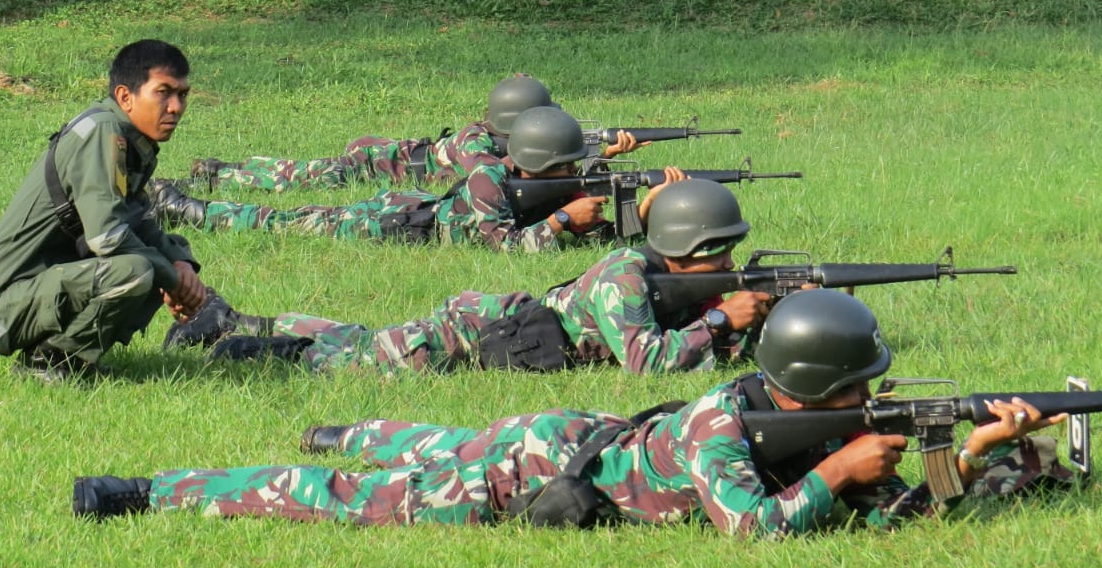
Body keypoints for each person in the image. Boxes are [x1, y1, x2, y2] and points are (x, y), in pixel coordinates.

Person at [72, 290, 1072, 528]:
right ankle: (144, 492)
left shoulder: (786, 405)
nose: (871, 405)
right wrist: (833, 475)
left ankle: (351, 423)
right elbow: (757, 530)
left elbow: (885, 500)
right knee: (341, 494)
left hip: (572, 426)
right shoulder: (723, 432)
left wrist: (985, 451)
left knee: (431, 438)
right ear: (815, 394)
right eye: (858, 392)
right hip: (542, 469)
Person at [169, 178, 776, 372]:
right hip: (483, 331)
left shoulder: (665, 272)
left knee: (358, 337)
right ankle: (248, 345)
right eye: (715, 254)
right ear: (678, 246)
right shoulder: (624, 275)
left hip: (513, 325)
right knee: (356, 360)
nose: (724, 267)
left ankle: (233, 319)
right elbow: (645, 360)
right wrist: (723, 318)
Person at [0, 40, 209, 382]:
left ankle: (73, 359)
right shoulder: (101, 133)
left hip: (40, 287)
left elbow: (136, 220)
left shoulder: (129, 138)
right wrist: (172, 280)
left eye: (182, 94)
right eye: (163, 92)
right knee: (136, 268)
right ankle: (50, 361)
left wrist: (181, 265)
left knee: (169, 250)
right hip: (1, 309)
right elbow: (108, 237)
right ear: (125, 97)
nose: (175, 107)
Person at [148, 106, 626, 255]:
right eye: (566, 166)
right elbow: (505, 246)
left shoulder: (525, 177)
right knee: (291, 222)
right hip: (393, 222)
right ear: (540, 166)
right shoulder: (488, 178)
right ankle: (190, 209)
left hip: (413, 204)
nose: (573, 174)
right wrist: (563, 220)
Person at [184, 74, 563, 194]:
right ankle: (220, 174)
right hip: (380, 166)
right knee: (298, 176)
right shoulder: (474, 140)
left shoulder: (496, 138)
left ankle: (226, 169)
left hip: (394, 156)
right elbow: (489, 176)